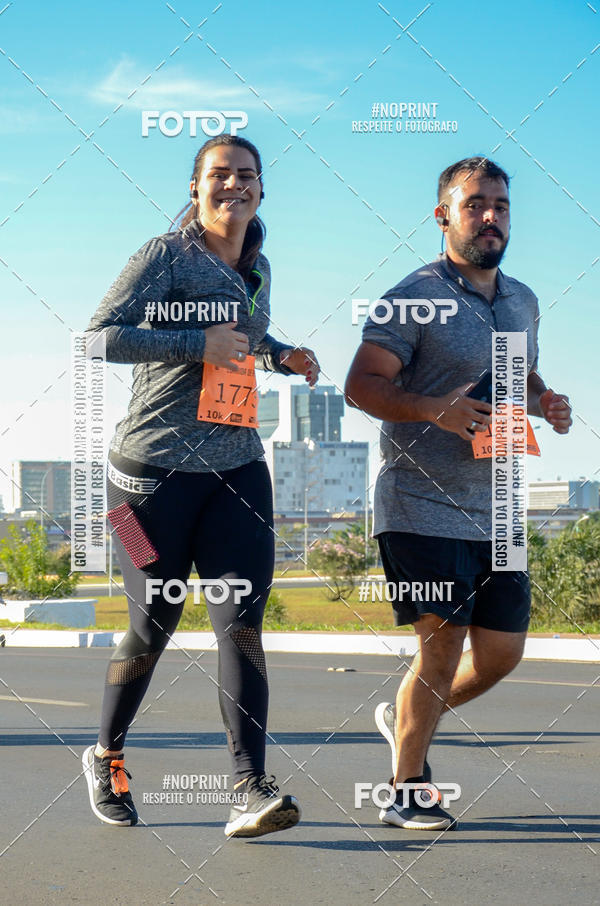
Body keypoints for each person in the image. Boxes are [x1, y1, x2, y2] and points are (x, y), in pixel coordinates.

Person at [81, 134, 319, 838]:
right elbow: (98, 337)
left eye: (247, 175)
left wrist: (281, 354)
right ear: (195, 188)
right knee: (151, 624)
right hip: (141, 480)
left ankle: (249, 788)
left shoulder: (258, 267)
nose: (233, 186)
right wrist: (195, 343)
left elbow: (242, 343)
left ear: (261, 190)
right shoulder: (163, 255)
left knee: (241, 624)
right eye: (220, 175)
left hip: (237, 469)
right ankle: (107, 755)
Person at [344, 156, 571, 831]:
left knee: (501, 655)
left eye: (500, 205)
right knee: (441, 646)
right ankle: (404, 788)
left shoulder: (522, 299)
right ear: (443, 215)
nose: (491, 216)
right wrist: (430, 409)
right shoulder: (412, 296)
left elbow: (519, 372)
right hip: (419, 500)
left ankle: (409, 718)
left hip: (498, 504)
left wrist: (544, 400)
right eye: (475, 205)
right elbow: (362, 386)